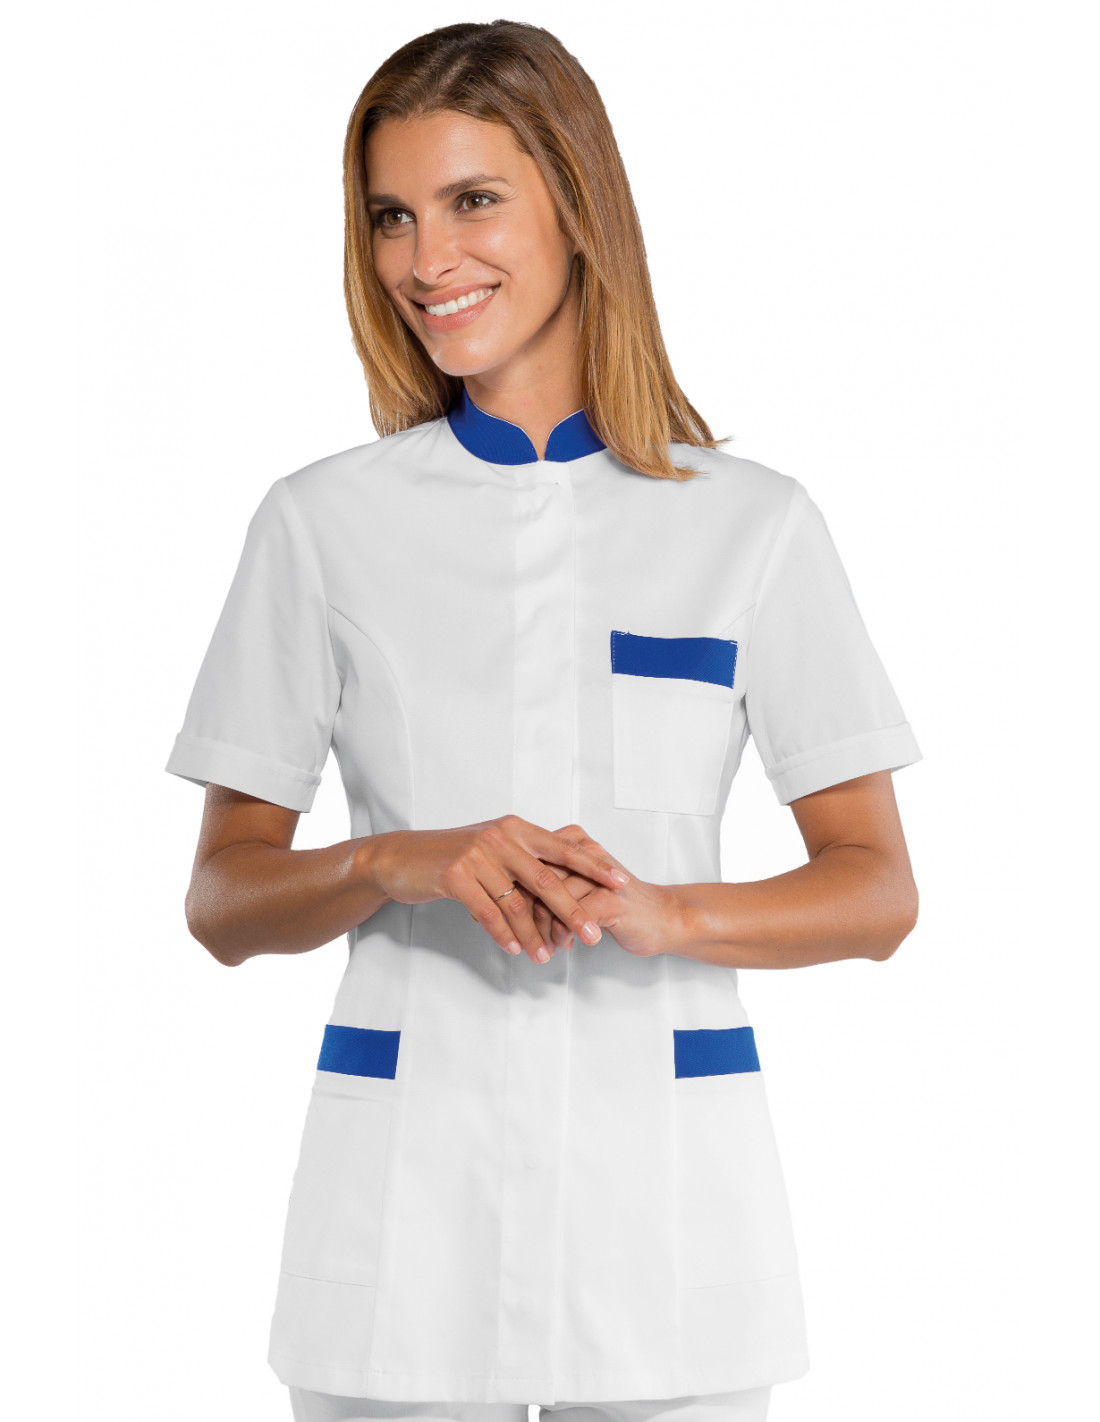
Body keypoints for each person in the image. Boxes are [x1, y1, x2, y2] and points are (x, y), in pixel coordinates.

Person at [164, 19, 922, 1422]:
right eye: (392, 215)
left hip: (668, 1214)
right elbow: (221, 901)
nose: (424, 259)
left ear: (577, 203)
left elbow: (878, 892)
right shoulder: (321, 525)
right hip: (402, 1209)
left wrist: (670, 912)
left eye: (472, 200)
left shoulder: (752, 527)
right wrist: (393, 859)